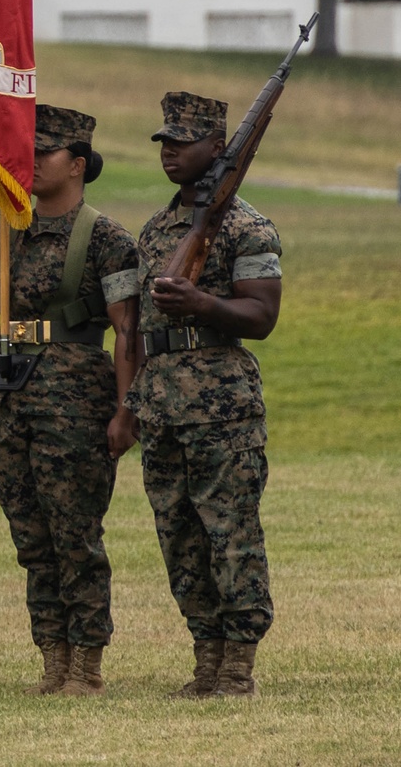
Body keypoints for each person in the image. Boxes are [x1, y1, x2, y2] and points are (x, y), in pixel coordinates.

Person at [0, 104, 140, 697]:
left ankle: (86, 663)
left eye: (41, 153)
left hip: (74, 394)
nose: (27, 163)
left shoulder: (106, 239)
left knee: (74, 534)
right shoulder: (12, 225)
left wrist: (126, 410)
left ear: (77, 164)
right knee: (30, 536)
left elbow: (128, 331)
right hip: (11, 392)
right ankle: (52, 658)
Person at [125, 90, 282, 699]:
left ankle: (237, 665)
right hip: (162, 401)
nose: (169, 152)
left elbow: (262, 315)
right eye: (164, 141)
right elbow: (137, 324)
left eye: (183, 142)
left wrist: (204, 306)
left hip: (220, 403)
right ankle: (205, 656)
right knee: (179, 533)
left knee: (230, 531)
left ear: (219, 149)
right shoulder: (159, 228)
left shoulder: (248, 226)